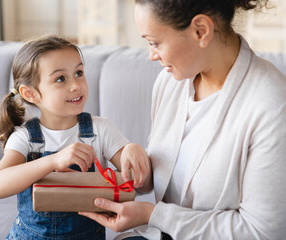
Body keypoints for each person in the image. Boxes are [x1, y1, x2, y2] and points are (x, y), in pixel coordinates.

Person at [79, 0, 286, 239]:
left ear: (201, 30)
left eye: (154, 42)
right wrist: (137, 161)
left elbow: (262, 232)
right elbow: (169, 177)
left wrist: (152, 216)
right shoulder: (171, 83)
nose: (151, 55)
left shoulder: (271, 106)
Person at [0, 35, 150, 240]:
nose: (75, 85)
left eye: (79, 73)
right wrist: (53, 161)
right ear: (30, 94)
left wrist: (133, 149)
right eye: (60, 79)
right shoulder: (26, 137)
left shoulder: (101, 130)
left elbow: (140, 183)